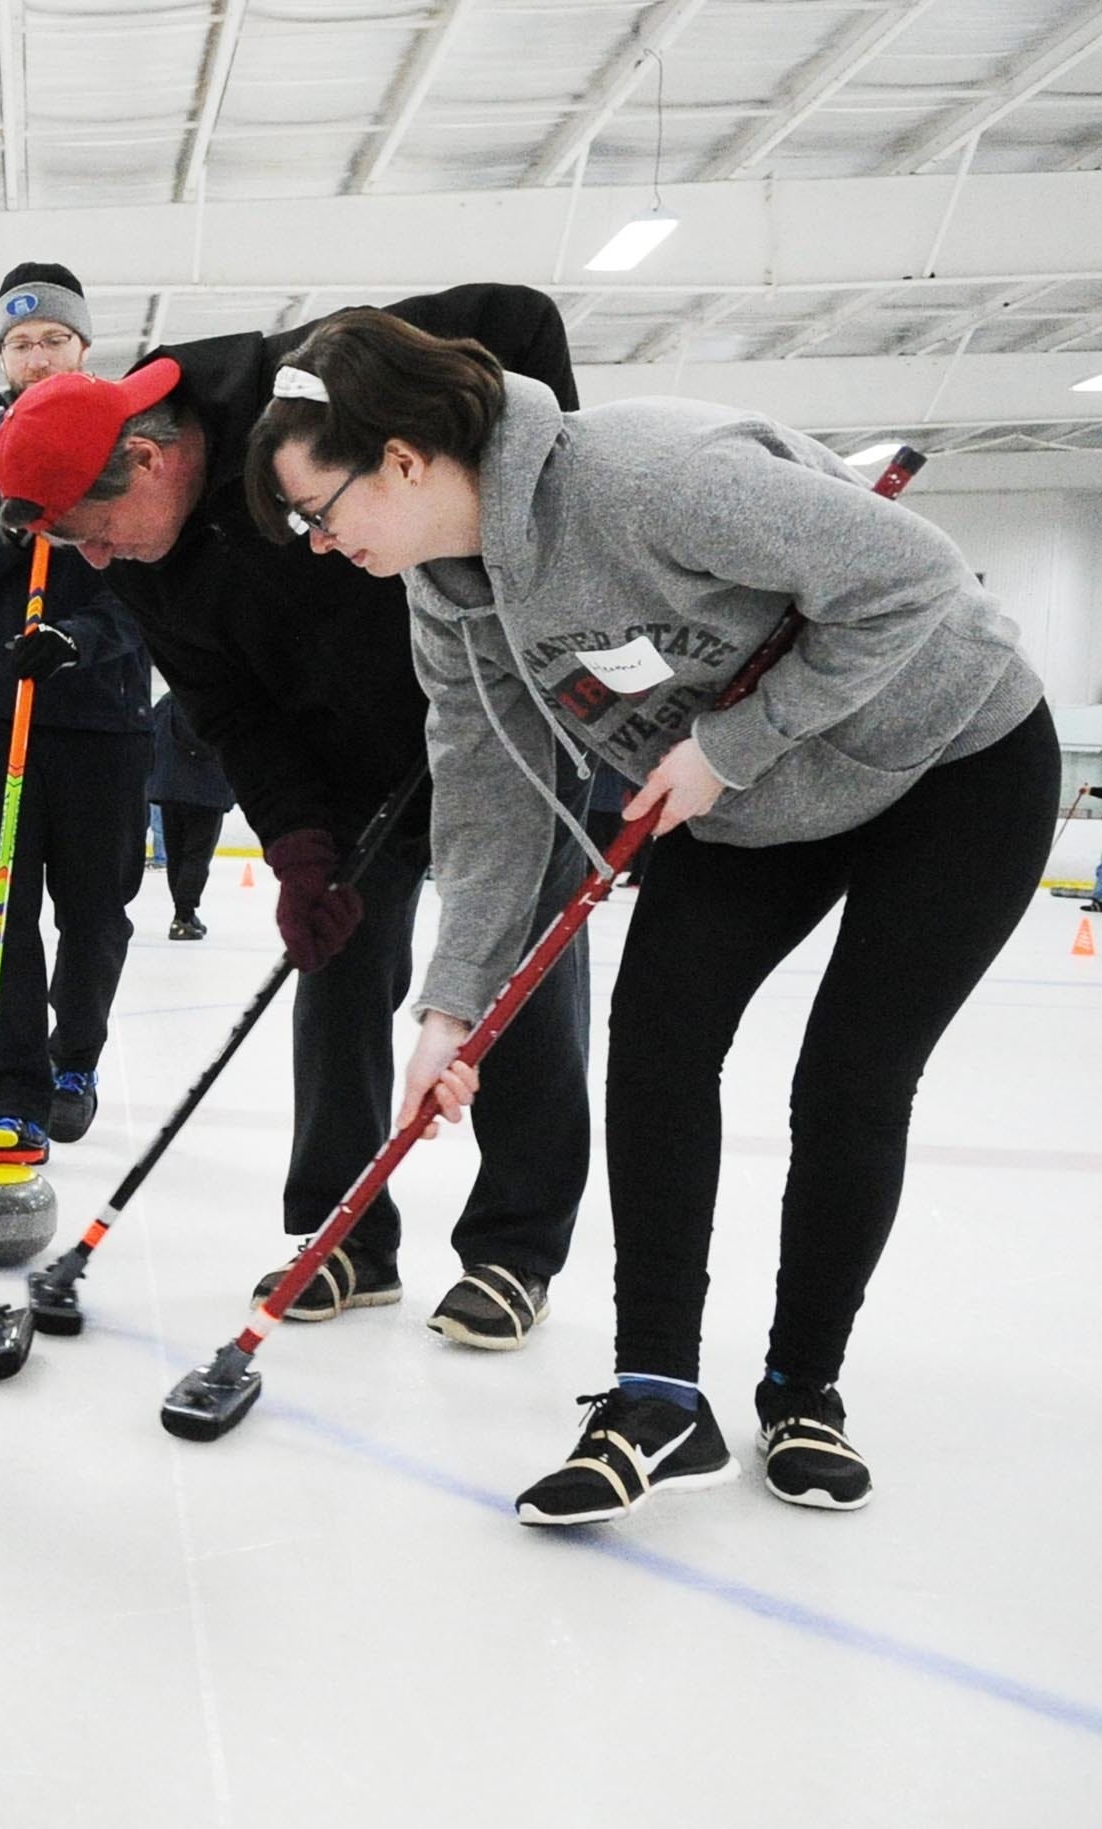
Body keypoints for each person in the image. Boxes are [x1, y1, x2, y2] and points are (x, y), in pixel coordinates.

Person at [251, 307, 1055, 1523]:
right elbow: (485, 792)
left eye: (323, 509)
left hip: (949, 760)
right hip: (747, 809)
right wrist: (448, 1005)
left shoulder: (648, 480)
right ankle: (657, 1395)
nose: (319, 542)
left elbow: (911, 578)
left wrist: (733, 741)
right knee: (659, 1047)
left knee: (848, 1078)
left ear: (404, 458)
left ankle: (801, 1389)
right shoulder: (442, 593)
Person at [0, 284, 591, 1351]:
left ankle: (512, 1249)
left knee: (517, 977)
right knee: (337, 973)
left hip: (497, 726)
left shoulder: (299, 383)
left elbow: (520, 320)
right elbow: (228, 710)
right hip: (349, 768)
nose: (93, 559)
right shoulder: (143, 561)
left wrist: (523, 533)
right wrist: (296, 841)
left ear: (146, 457)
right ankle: (344, 1235)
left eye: (91, 531)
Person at [0, 262, 152, 1159]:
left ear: (84, 345)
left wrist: (82, 639)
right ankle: (15, 1087)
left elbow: (151, 585)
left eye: (52, 339)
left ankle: (74, 1057)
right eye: (19, 343)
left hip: (102, 716)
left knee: (96, 908)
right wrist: (6, 534)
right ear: (1, 356)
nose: (36, 356)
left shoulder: (130, 439)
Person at [147, 691, 234, 940]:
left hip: (169, 790)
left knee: (176, 855)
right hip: (206, 791)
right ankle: (183, 916)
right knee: (196, 856)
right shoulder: (218, 703)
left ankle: (182, 913)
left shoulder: (166, 702)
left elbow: (154, 741)